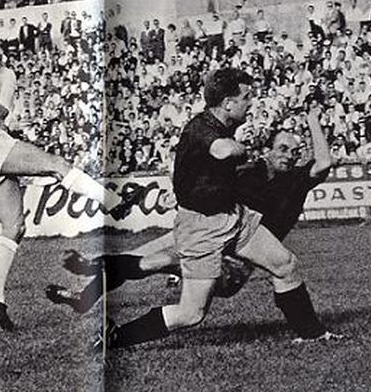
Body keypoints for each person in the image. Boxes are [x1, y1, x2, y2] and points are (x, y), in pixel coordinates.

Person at [103, 69, 337, 351]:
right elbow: (222, 151)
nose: (250, 103)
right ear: (228, 102)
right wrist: (244, 148)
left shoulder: (223, 125)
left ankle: (311, 333)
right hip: (203, 227)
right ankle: (115, 337)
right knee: (191, 313)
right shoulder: (201, 126)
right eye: (246, 97)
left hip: (234, 218)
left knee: (285, 263)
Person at [0, 26, 135, 331]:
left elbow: (1, 111)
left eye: (0, 46)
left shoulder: (6, 74)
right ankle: (114, 202)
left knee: (15, 226)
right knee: (56, 164)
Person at [47, 102, 333, 319]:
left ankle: (94, 266)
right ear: (266, 150)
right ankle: (84, 296)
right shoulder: (245, 172)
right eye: (283, 149)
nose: (289, 156)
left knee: (157, 260)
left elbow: (323, 162)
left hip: (233, 266)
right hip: (211, 236)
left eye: (295, 153)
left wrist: (312, 121)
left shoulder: (295, 180)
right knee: (144, 255)